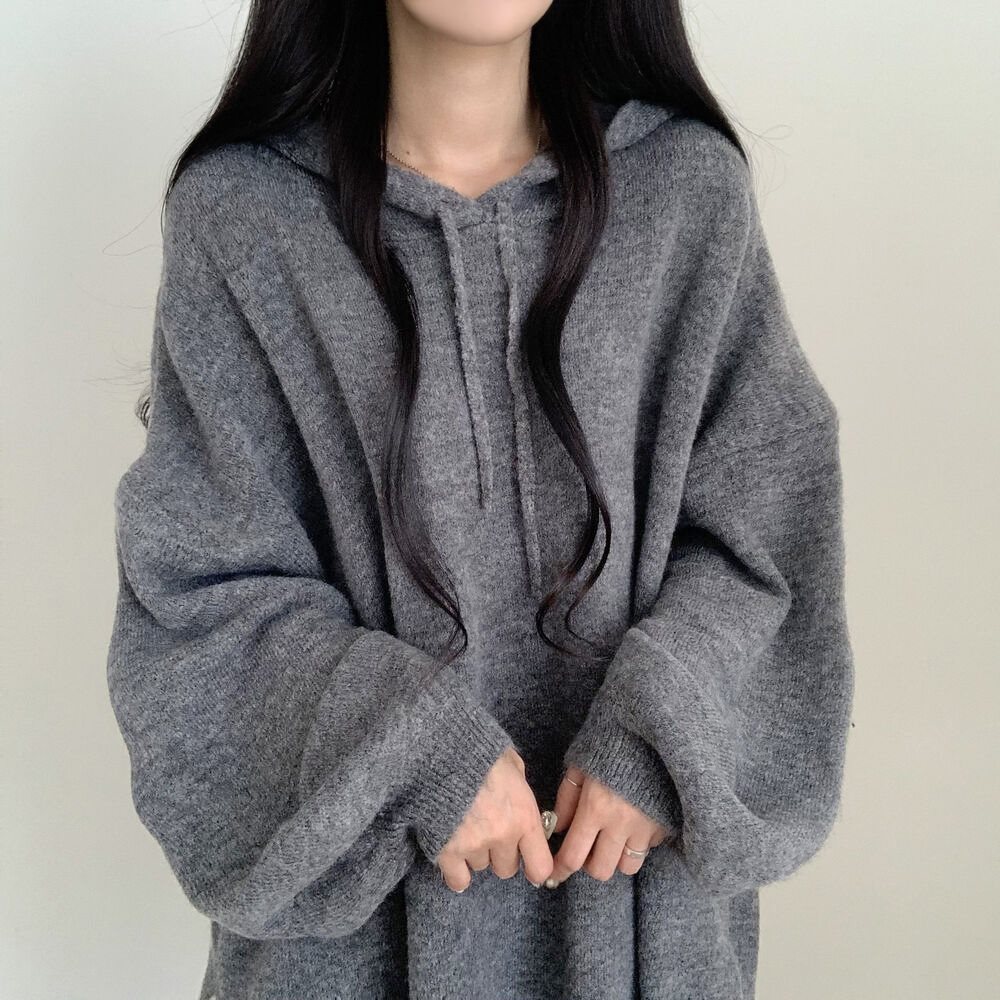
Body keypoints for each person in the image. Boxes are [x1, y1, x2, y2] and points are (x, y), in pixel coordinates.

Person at [105, 1, 855, 998]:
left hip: (637, 931)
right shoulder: (244, 216)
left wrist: (662, 730)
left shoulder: (686, 194)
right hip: (344, 960)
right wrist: (409, 749)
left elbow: (769, 536)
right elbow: (200, 596)